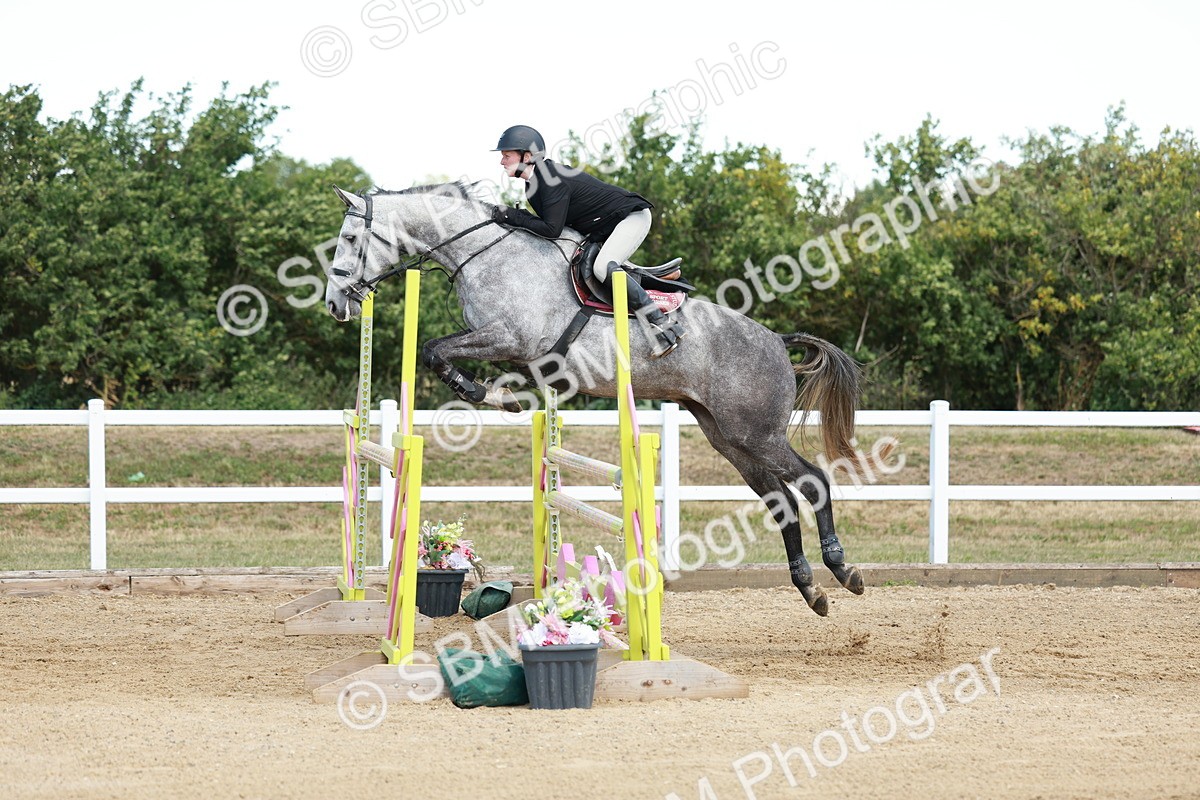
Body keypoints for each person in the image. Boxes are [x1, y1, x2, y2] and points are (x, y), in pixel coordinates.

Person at [489, 125, 684, 358]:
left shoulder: (550, 180)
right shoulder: (532, 186)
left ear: (527, 157)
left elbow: (552, 229)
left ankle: (664, 326)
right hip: (605, 228)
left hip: (631, 217)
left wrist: (512, 216)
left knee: (602, 268)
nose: (502, 161)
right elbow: (559, 229)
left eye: (506, 155)